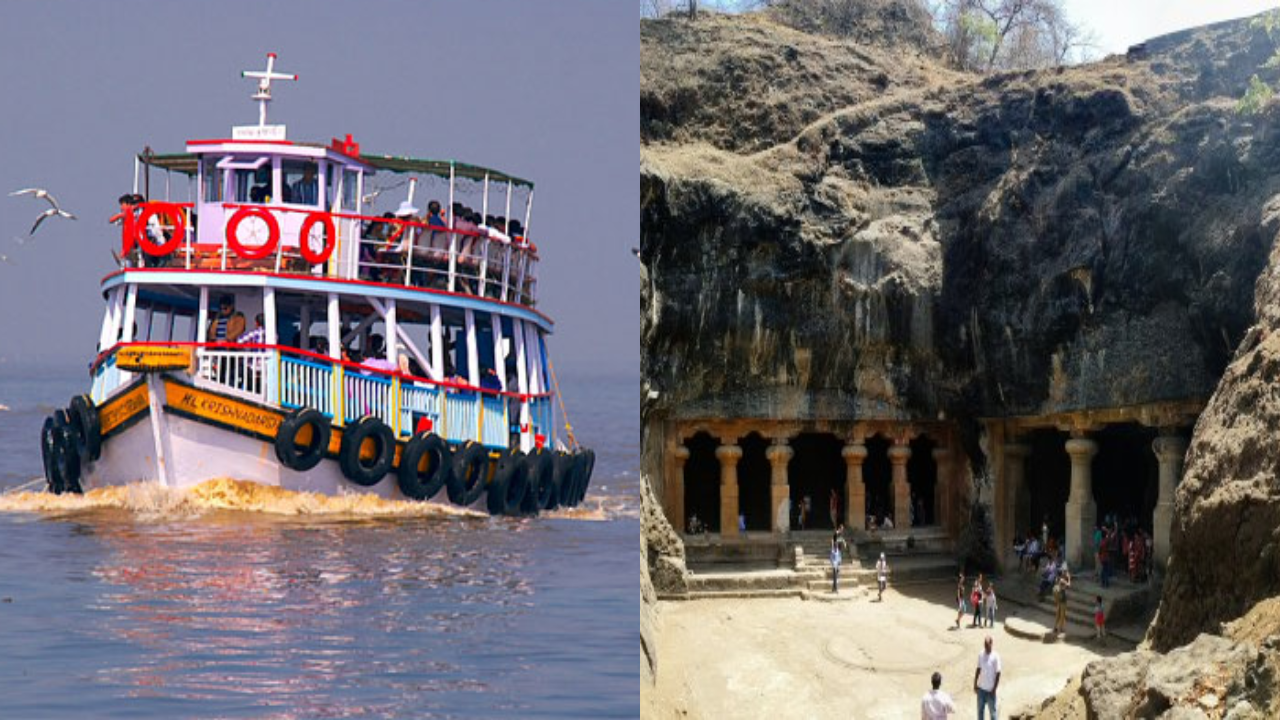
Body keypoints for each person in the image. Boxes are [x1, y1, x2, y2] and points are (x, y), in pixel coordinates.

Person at [974, 635, 1001, 720]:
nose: (986, 647)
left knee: (993, 714)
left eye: (987, 645)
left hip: (990, 691)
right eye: (985, 645)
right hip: (981, 690)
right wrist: (975, 684)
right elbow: (978, 669)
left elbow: (998, 673)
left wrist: (994, 688)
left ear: (991, 644)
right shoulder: (981, 654)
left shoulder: (995, 656)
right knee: (980, 712)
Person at [1053, 572, 1071, 637]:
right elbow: (1069, 585)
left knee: (1057, 615)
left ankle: (1055, 627)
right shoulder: (1062, 580)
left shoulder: (1057, 580)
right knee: (1062, 616)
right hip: (1063, 601)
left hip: (1059, 601)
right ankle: (1059, 630)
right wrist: (1069, 578)